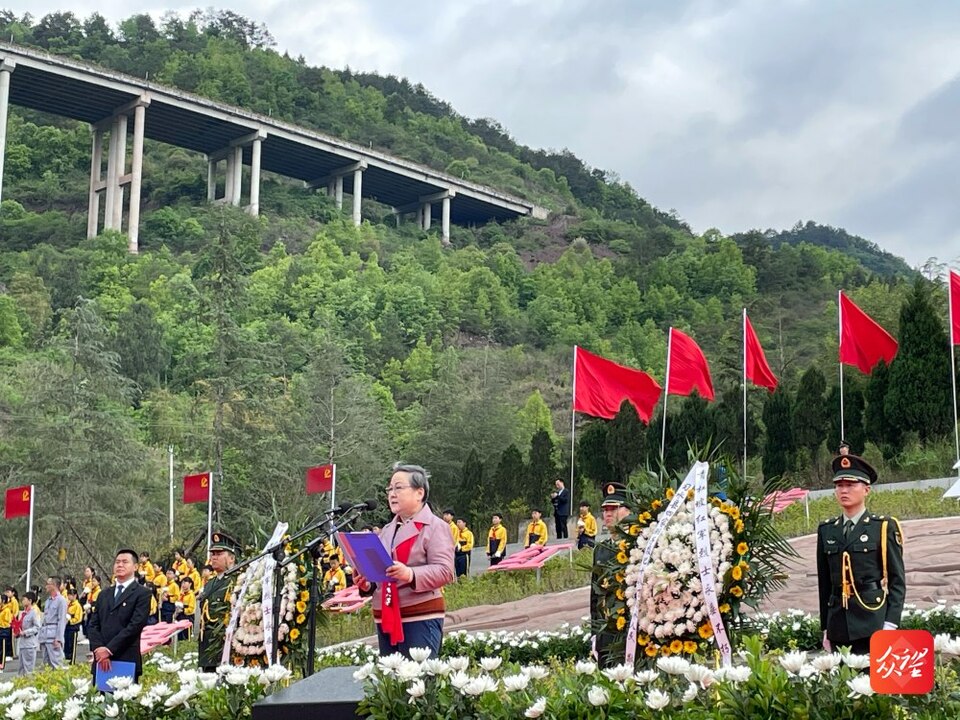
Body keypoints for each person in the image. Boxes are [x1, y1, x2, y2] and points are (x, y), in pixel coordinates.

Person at [354, 462, 454, 659]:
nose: (392, 494)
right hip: (386, 615)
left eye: (398, 488)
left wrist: (410, 574)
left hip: (419, 615)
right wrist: (367, 583)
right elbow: (381, 572)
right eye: (389, 489)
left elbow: (445, 571)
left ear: (419, 493)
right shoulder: (387, 531)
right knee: (391, 684)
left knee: (417, 681)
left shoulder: (435, 527)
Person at [817, 454, 906, 656]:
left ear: (866, 490)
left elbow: (896, 581)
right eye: (839, 485)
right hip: (838, 624)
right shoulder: (827, 530)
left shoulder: (882, 527)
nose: (843, 490)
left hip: (872, 620)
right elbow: (825, 584)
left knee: (874, 684)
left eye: (850, 484)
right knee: (842, 684)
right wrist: (825, 628)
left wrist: (890, 624)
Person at [87, 549, 153, 681]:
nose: (120, 565)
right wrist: (99, 649)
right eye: (117, 562)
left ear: (135, 567)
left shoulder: (142, 593)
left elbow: (135, 625)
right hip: (101, 660)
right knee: (99, 699)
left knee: (124, 700)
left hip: (125, 657)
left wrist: (109, 650)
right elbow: (93, 624)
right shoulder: (104, 594)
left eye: (125, 562)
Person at [592, 482, 632, 668]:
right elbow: (595, 595)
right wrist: (594, 633)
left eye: (613, 508)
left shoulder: (639, 545)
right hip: (606, 631)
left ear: (628, 511)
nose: (607, 514)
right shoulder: (600, 549)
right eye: (605, 509)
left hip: (631, 630)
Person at [197, 532, 239, 671]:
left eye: (219, 553)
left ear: (231, 558)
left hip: (224, 643)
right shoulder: (210, 583)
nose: (214, 557)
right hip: (207, 643)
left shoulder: (236, 581)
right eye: (213, 553)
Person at [39, 576, 67, 668]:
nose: (46, 586)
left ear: (54, 585)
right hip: (45, 635)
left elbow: (61, 620)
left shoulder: (61, 600)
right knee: (47, 665)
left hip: (53, 636)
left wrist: (59, 638)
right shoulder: (48, 601)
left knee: (57, 663)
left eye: (48, 584)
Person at [16, 592, 40, 676]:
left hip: (30, 644)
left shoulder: (33, 612)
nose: (22, 601)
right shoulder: (23, 613)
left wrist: (25, 632)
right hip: (22, 644)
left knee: (28, 669)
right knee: (21, 668)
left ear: (30, 601)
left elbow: (37, 627)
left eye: (24, 599)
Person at [0, 587, 18, 671]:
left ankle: (9, 655)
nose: (7, 593)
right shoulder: (3, 607)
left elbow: (14, 612)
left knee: (7, 643)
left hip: (5, 627)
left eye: (8, 592)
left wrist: (13, 620)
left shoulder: (13, 602)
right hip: (2, 628)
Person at [64, 588, 84, 663]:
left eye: (71, 595)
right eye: (68, 595)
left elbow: (78, 618)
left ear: (75, 596)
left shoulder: (77, 605)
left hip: (73, 627)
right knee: (66, 644)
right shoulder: (68, 604)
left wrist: (70, 621)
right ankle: (66, 659)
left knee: (71, 645)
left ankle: (72, 662)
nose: (69, 597)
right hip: (67, 627)